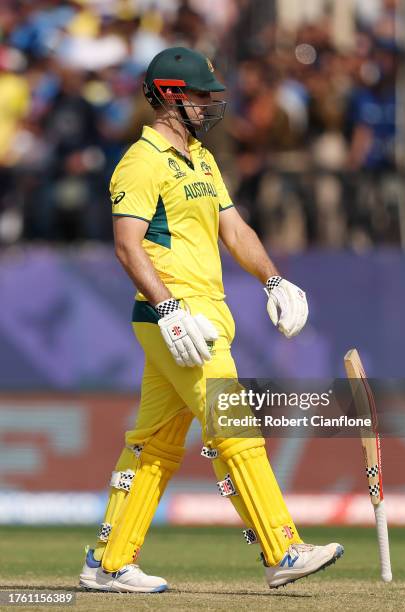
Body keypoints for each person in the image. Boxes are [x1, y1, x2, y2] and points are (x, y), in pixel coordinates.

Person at [79, 46, 344, 593]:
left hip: (207, 316)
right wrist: (169, 308)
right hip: (173, 319)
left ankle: (107, 564)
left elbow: (235, 228)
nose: (210, 105)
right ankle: (283, 549)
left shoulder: (200, 158)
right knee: (236, 426)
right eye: (201, 96)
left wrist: (273, 278)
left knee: (154, 445)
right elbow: (128, 247)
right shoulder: (141, 161)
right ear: (171, 96)